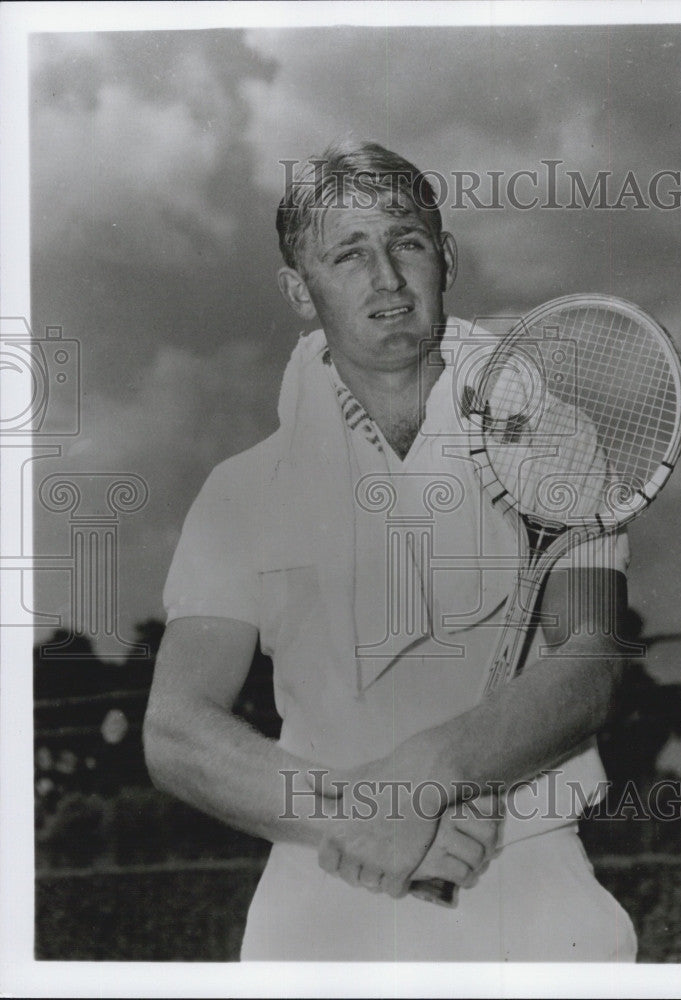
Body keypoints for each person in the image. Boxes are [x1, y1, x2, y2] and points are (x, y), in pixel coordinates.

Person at [144, 140, 638, 962]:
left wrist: (428, 774)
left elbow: (589, 667)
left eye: (405, 242)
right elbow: (176, 731)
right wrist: (356, 816)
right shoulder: (240, 490)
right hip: (317, 893)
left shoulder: (552, 437)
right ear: (299, 292)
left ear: (443, 257)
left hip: (533, 890)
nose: (385, 278)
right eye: (348, 254)